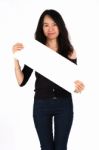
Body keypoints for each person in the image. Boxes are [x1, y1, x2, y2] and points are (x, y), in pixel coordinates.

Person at [12, 9, 85, 150]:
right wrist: (16, 58)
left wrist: (78, 88)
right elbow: (22, 81)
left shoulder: (69, 51)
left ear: (60, 26)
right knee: (46, 147)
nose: (50, 29)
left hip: (64, 105)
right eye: (46, 25)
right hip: (41, 105)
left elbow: (73, 84)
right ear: (41, 28)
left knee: (60, 147)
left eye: (54, 24)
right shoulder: (35, 50)